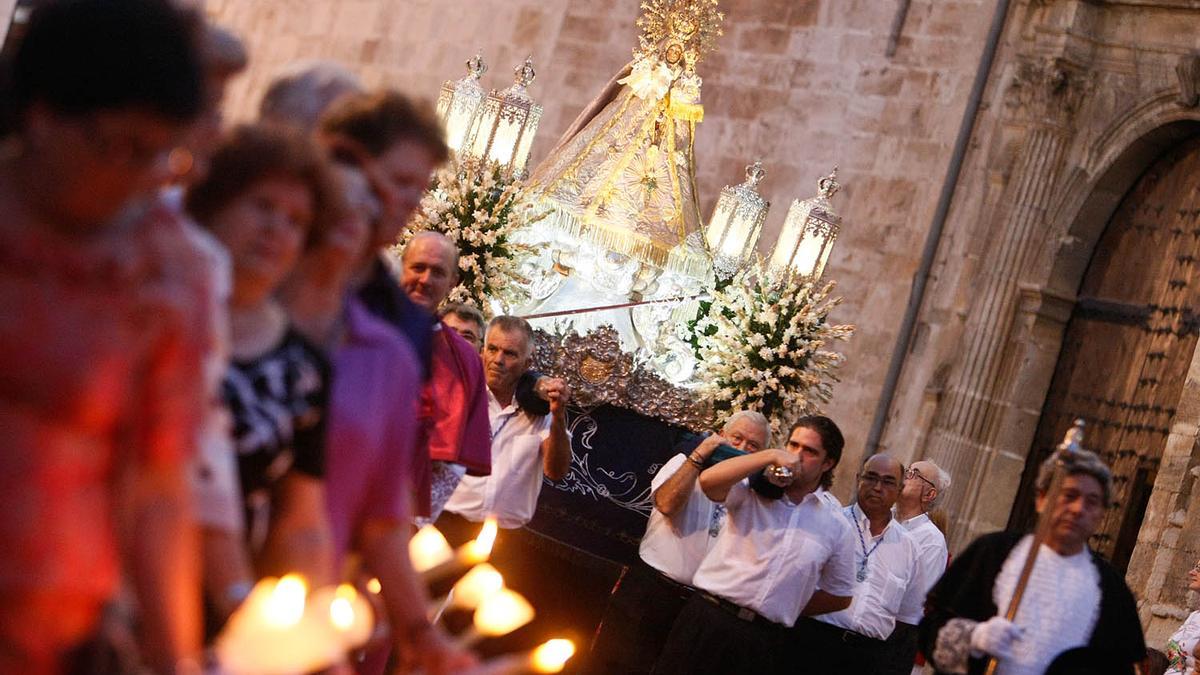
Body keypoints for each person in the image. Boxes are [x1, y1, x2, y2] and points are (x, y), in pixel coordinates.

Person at [0, 0, 207, 671]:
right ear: (41, 112)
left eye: (153, 153)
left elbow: (157, 483)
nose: (132, 176)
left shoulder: (165, 271)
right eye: (115, 145)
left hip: (55, 628)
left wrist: (173, 656)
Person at [187, 124, 344, 586]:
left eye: (296, 221)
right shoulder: (155, 312)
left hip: (224, 594)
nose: (277, 229)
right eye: (264, 207)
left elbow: (301, 521)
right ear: (215, 206)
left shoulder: (304, 370)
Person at [653, 416, 857, 675]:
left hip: (764, 640)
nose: (797, 455)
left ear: (828, 463)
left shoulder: (836, 524)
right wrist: (769, 456)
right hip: (711, 618)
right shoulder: (754, 487)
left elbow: (840, 595)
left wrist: (788, 599)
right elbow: (708, 482)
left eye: (809, 451)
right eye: (793, 446)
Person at [918, 449, 1146, 675]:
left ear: (1101, 515)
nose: (1078, 509)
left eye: (1092, 502)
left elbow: (1122, 666)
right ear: (1041, 499)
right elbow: (931, 627)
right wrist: (974, 636)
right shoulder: (993, 553)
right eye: (1069, 495)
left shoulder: (1111, 588)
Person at [586, 411, 772, 675]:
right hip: (651, 589)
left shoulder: (750, 491)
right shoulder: (685, 461)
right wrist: (698, 458)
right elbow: (666, 503)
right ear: (721, 436)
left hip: (699, 608)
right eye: (736, 438)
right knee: (614, 665)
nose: (741, 449)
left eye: (752, 446)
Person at [442, 315, 573, 529]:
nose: (498, 360)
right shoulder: (458, 394)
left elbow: (556, 471)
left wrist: (558, 417)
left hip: (505, 537)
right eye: (492, 349)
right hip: (445, 523)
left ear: (527, 363)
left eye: (510, 354)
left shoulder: (542, 411)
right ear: (482, 352)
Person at [797, 453, 924, 673]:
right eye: (871, 478)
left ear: (900, 488)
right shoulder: (832, 523)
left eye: (887, 481)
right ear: (858, 479)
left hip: (870, 658)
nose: (877, 487)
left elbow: (906, 617)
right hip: (815, 643)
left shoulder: (909, 547)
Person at [881, 459, 953, 675]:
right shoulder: (881, 517)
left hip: (893, 640)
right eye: (907, 470)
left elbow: (917, 602)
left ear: (929, 494)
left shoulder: (931, 540)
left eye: (914, 474)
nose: (905, 475)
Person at [1163, 559, 1200, 674]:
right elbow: (1172, 645)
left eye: (1199, 569)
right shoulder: (1195, 615)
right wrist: (1178, 667)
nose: (1191, 572)